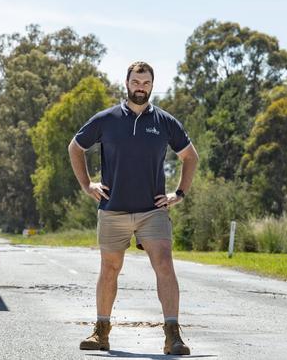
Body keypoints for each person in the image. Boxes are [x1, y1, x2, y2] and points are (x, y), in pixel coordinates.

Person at [67, 61, 199, 355]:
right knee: (110, 269)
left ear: (152, 85)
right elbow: (75, 148)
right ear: (126, 83)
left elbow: (190, 157)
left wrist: (179, 193)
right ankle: (101, 331)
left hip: (152, 211)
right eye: (136, 82)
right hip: (112, 209)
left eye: (146, 82)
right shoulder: (106, 119)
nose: (141, 87)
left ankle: (173, 335)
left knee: (164, 263)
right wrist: (88, 185)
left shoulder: (165, 122)